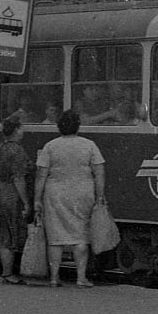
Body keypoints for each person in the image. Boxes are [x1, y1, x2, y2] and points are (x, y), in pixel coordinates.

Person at [33, 110, 106, 288]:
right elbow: (99, 172)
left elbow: (41, 176)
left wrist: (37, 199)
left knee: (55, 237)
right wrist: (100, 196)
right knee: (81, 236)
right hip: (82, 193)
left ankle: (54, 278)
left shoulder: (50, 146)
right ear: (78, 126)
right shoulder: (89, 145)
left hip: (55, 194)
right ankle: (81, 278)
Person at [0, 117, 34, 284]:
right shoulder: (17, 151)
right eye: (21, 128)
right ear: (16, 130)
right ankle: (9, 273)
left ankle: (7, 272)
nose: (23, 131)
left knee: (5, 232)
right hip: (12, 194)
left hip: (1, 190)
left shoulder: (1, 148)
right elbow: (19, 179)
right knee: (12, 232)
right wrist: (26, 202)